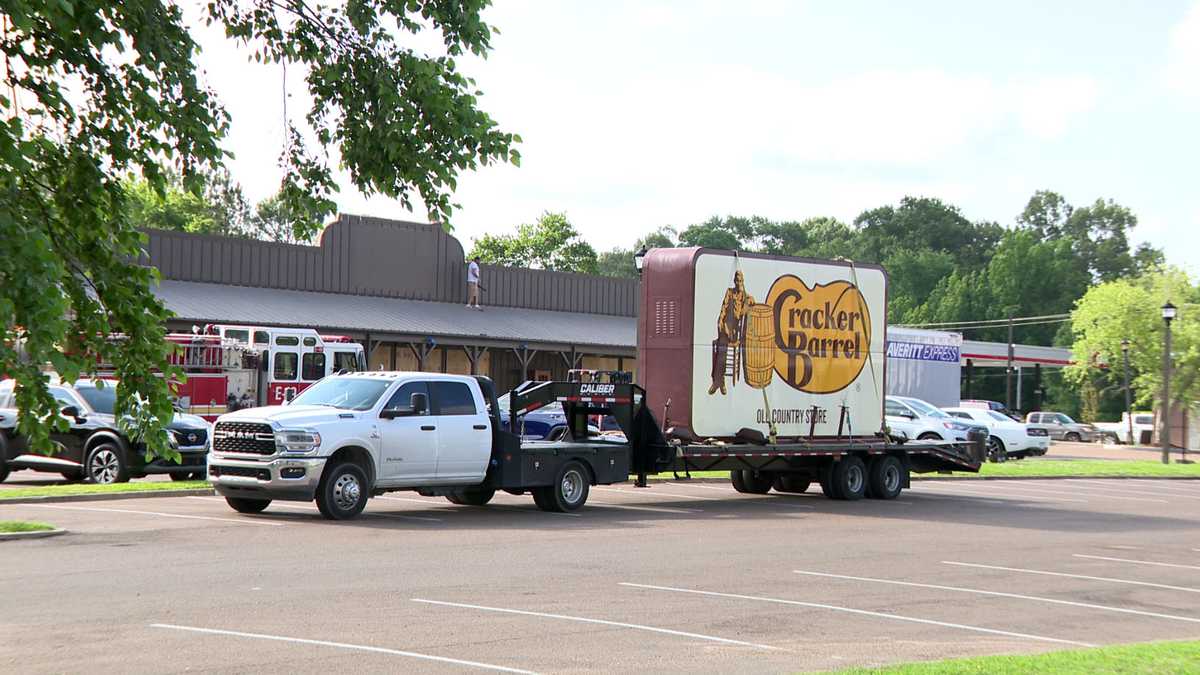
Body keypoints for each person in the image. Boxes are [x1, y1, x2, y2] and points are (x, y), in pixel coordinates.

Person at [709, 269, 754, 395]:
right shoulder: (729, 292)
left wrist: (747, 305)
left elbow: (752, 301)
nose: (739, 283)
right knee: (720, 349)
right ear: (734, 281)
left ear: (743, 282)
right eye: (737, 281)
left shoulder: (745, 296)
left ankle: (718, 381)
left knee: (721, 350)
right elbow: (724, 307)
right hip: (725, 328)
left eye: (741, 281)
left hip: (734, 333)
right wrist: (720, 322)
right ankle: (719, 381)